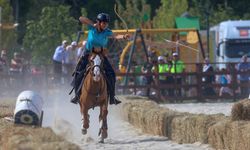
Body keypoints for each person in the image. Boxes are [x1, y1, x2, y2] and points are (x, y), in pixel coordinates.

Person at [70, 13, 129, 105]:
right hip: (88, 53)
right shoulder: (92, 28)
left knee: (111, 73)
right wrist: (92, 23)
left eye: (106, 23)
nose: (105, 25)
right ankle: (77, 95)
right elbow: (81, 18)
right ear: (99, 22)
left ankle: (112, 97)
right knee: (78, 71)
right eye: (103, 23)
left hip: (101, 54)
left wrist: (124, 36)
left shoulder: (107, 32)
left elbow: (115, 35)